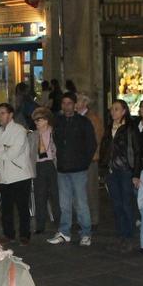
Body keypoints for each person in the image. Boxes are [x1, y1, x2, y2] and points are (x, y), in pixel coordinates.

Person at [47, 93, 97, 247]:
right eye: (63, 103)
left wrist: (84, 162)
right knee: (64, 203)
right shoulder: (58, 121)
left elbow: (91, 144)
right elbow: (55, 141)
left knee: (81, 203)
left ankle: (86, 233)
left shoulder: (84, 122)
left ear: (75, 105)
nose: (66, 106)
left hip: (78, 169)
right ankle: (64, 232)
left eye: (69, 103)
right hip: (62, 169)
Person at [0, 103, 34, 244]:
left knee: (22, 207)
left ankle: (25, 234)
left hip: (19, 174)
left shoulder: (19, 130)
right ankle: (8, 234)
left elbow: (14, 153)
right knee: (6, 208)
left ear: (10, 114)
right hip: (4, 176)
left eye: (2, 113)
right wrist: (4, 148)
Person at [105, 99, 141, 252]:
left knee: (127, 204)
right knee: (116, 204)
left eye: (117, 109)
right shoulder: (109, 128)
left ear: (124, 111)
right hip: (112, 171)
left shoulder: (130, 128)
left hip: (125, 170)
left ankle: (129, 237)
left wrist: (136, 173)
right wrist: (104, 168)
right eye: (112, 109)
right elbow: (105, 148)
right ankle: (121, 236)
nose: (113, 112)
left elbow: (137, 151)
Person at [76, 94, 103, 229]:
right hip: (80, 159)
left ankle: (93, 219)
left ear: (85, 103)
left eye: (78, 100)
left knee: (91, 190)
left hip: (90, 159)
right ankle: (84, 218)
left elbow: (96, 139)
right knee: (81, 191)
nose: (75, 103)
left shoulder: (92, 118)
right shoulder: (79, 117)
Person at [32, 108, 60, 235]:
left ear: (46, 120)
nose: (36, 122)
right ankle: (40, 225)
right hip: (38, 166)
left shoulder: (54, 132)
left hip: (52, 165)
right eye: (35, 120)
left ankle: (59, 222)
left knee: (56, 195)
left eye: (39, 120)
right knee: (39, 196)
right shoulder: (32, 135)